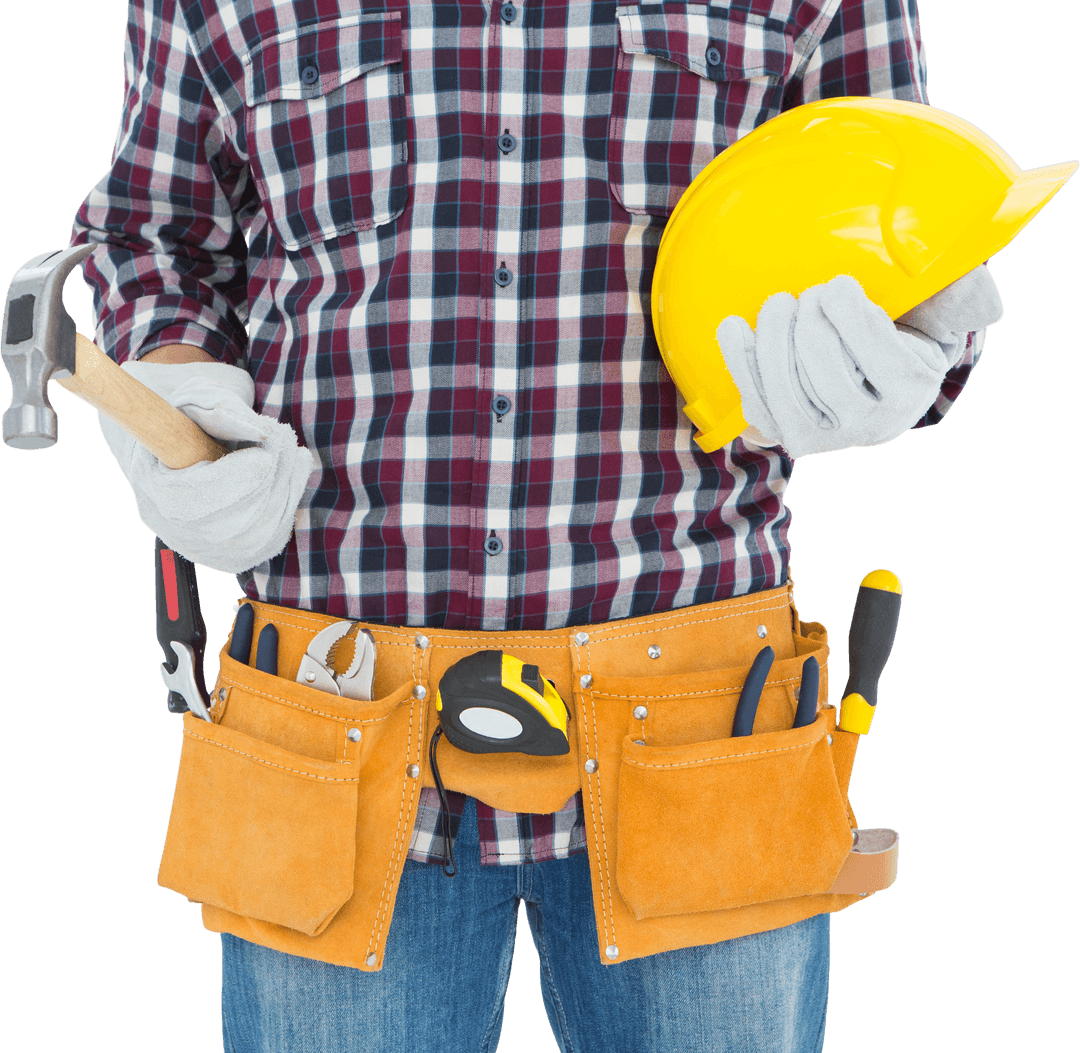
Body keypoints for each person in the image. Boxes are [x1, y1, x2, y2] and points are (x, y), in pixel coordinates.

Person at [69, 2, 1005, 1050]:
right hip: (339, 728)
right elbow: (150, 237)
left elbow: (918, 218)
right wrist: (178, 399)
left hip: (703, 738)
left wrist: (910, 346)